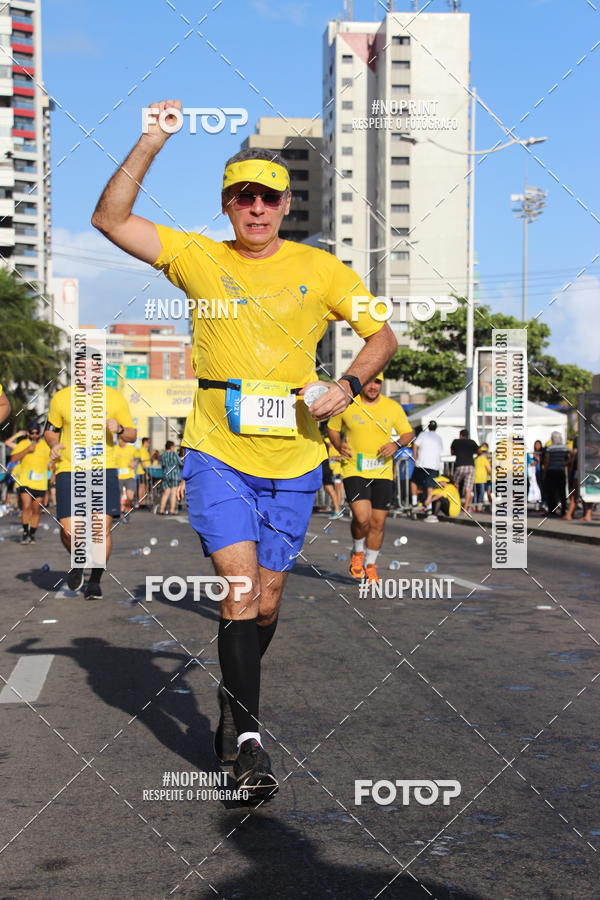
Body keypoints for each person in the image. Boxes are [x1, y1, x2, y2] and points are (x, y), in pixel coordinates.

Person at [91, 101, 397, 801]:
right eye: (242, 197)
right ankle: (252, 742)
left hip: (294, 457)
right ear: (227, 206)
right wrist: (151, 139)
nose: (256, 208)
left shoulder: (322, 270)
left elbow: (383, 336)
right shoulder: (197, 257)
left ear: (285, 205)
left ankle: (233, 695)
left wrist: (349, 385)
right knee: (237, 592)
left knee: (264, 602)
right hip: (217, 450)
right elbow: (110, 220)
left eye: (268, 196)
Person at [44, 369, 136, 599]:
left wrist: (121, 429)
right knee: (69, 530)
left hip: (103, 468)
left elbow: (132, 434)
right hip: (69, 469)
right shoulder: (61, 398)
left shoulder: (114, 397)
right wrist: (54, 444)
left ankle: (95, 581)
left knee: (99, 530)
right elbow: (50, 431)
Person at [328, 374, 414, 583]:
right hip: (354, 469)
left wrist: (396, 445)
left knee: (378, 522)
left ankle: (371, 565)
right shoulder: (348, 404)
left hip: (383, 471)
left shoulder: (392, 407)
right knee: (362, 517)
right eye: (370, 381)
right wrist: (339, 446)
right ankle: (358, 552)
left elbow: (407, 433)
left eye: (378, 382)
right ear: (363, 383)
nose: (374, 386)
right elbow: (332, 427)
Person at [8, 422, 51, 543]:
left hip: (40, 483)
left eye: (37, 433)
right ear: (28, 433)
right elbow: (13, 459)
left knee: (36, 509)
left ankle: (32, 533)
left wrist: (53, 472)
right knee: (26, 507)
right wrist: (27, 450)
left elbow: (52, 461)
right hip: (25, 481)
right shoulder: (23, 444)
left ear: (40, 433)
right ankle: (25, 533)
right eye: (32, 433)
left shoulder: (45, 445)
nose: (34, 435)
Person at [410, 420, 443, 522]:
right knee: (429, 486)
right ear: (436, 428)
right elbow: (440, 450)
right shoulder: (439, 438)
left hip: (421, 463)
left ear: (428, 427)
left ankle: (415, 503)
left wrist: (415, 457)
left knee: (414, 481)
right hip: (434, 465)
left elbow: (415, 445)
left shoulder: (423, 434)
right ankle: (429, 509)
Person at [450, 429, 479, 513]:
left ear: (460, 435)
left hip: (460, 465)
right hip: (470, 466)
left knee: (455, 484)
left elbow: (452, 453)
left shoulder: (456, 441)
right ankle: (465, 508)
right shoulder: (472, 442)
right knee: (468, 488)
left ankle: (456, 504)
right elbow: (479, 451)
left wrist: (459, 452)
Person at [543, 431, 570, 517]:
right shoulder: (564, 447)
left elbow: (547, 461)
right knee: (562, 492)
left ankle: (552, 510)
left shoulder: (550, 448)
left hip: (551, 471)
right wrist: (566, 462)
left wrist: (544, 472)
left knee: (551, 491)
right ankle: (563, 510)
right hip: (561, 471)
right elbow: (573, 453)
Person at [114, 434, 138, 520]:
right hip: (118, 476)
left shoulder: (131, 448)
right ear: (118, 440)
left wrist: (134, 463)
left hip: (130, 475)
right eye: (120, 439)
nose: (122, 441)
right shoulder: (114, 449)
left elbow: (137, 458)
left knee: (130, 497)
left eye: (124, 439)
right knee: (118, 497)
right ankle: (121, 513)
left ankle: (126, 509)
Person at [158, 440, 183, 515]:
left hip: (166, 475)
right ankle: (172, 510)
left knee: (165, 493)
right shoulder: (174, 454)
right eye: (174, 446)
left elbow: (162, 464)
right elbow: (180, 463)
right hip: (174, 475)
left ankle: (161, 510)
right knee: (173, 493)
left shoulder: (163, 455)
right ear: (171, 447)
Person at [473, 443, 491, 512]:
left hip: (475, 479)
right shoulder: (484, 460)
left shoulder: (475, 459)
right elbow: (489, 470)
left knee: (476, 494)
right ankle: (479, 508)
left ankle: (474, 507)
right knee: (481, 494)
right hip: (482, 479)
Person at [136, 437, 152, 508]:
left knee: (146, 486)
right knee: (142, 486)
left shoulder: (145, 450)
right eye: (148, 442)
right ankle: (141, 502)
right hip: (143, 471)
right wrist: (146, 472)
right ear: (144, 442)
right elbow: (143, 462)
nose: (149, 444)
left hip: (146, 470)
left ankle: (143, 501)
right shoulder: (142, 450)